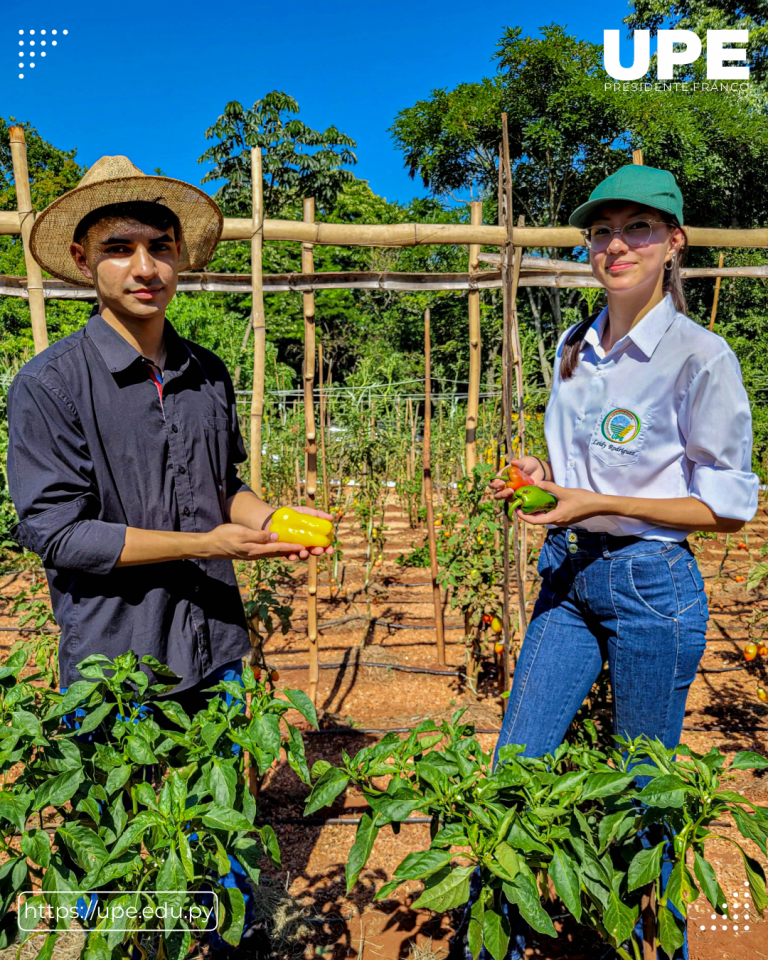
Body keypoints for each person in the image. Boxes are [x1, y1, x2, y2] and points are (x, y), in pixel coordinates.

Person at [6, 155, 332, 951]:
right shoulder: (48, 385)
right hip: (114, 661)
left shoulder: (205, 373)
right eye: (120, 247)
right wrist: (204, 543)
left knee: (218, 830)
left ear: (181, 255)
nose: (144, 267)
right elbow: (56, 532)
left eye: (160, 245)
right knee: (116, 840)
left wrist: (270, 519)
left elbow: (227, 486)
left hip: (214, 642)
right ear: (83, 261)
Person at [477, 164, 758, 960]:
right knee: (514, 770)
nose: (615, 245)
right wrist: (545, 482)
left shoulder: (701, 357)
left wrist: (596, 505)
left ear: (674, 243)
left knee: (646, 794)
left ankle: (651, 946)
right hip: (568, 573)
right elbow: (581, 475)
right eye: (601, 231)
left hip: (649, 583)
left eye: (638, 228)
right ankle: (495, 938)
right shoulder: (573, 345)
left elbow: (730, 507)